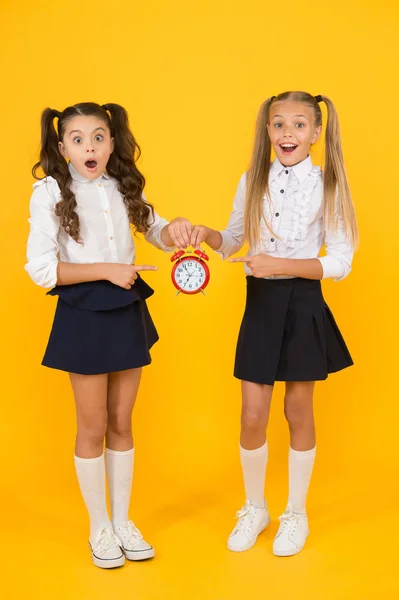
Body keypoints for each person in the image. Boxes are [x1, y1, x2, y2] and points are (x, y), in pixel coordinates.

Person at [190, 91, 358, 556]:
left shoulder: (329, 185)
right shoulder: (253, 180)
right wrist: (207, 236)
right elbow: (233, 239)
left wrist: (282, 267)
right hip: (260, 305)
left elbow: (340, 261)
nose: (288, 134)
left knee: (298, 412)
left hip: (304, 304)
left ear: (317, 133)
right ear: (267, 131)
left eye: (299, 125)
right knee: (252, 414)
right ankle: (254, 507)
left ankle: (296, 513)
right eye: (279, 124)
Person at [25, 102, 192, 568]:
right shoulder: (50, 191)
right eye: (77, 139)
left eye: (98, 136)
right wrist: (107, 271)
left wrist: (174, 230)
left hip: (126, 305)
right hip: (84, 312)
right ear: (63, 148)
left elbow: (155, 230)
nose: (89, 146)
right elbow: (40, 269)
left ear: (112, 142)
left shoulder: (122, 185)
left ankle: (122, 521)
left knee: (122, 420)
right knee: (92, 424)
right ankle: (99, 527)